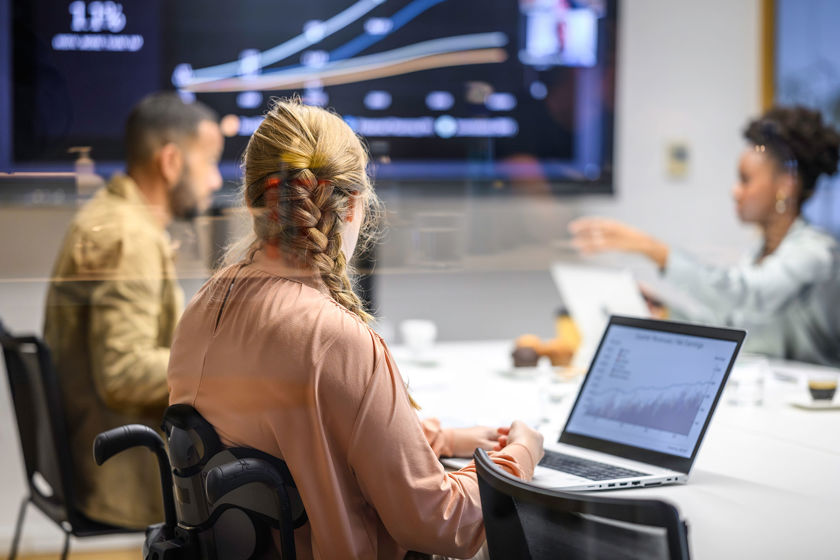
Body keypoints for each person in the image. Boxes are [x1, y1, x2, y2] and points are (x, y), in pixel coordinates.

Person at [167, 99, 545, 559]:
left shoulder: (204, 307)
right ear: (353, 208)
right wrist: (519, 456)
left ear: (250, 200)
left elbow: (297, 433)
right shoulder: (334, 339)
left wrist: (440, 439)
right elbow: (438, 523)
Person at [43, 92, 223, 528]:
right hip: (120, 481)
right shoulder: (130, 237)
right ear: (171, 162)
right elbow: (123, 374)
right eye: (210, 162)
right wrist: (223, 367)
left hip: (94, 467)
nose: (217, 180)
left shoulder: (116, 216)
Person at [569, 105, 840, 365]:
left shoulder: (816, 252)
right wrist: (665, 311)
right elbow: (731, 327)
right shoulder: (757, 254)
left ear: (785, 186)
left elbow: (747, 294)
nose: (735, 191)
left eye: (745, 179)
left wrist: (654, 250)